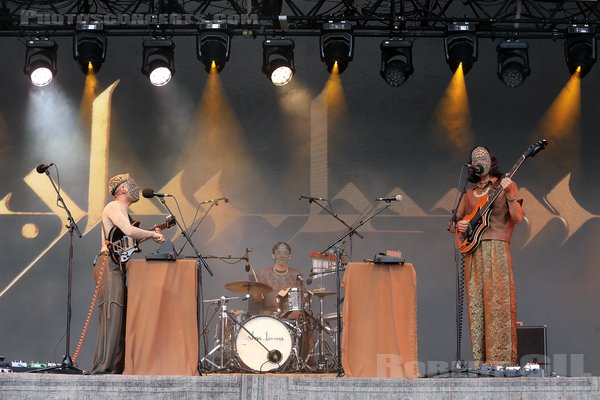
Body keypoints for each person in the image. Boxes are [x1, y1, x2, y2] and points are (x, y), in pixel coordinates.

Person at [455, 146, 523, 368]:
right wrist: (460, 224)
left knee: (498, 304)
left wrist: (511, 193)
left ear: (490, 162)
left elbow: (518, 218)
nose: (479, 162)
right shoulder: (469, 193)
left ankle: (502, 362)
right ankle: (480, 364)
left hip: (497, 251)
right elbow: (455, 223)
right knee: (476, 306)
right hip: (474, 253)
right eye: (476, 160)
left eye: (483, 159)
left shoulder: (505, 185)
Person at [91, 173, 165, 374]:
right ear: (122, 189)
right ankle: (102, 369)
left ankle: (114, 368)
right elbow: (129, 231)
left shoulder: (124, 212)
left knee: (119, 317)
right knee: (111, 314)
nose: (135, 187)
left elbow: (129, 241)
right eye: (131, 184)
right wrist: (153, 234)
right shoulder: (114, 207)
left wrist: (150, 234)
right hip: (108, 264)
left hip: (117, 266)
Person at [251, 242, 304, 314]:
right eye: (279, 253)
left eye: (285, 253)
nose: (282, 255)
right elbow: (257, 300)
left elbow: (301, 299)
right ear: (273, 255)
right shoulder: (263, 273)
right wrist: (258, 294)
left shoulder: (296, 274)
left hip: (289, 315)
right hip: (268, 315)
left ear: (289, 256)